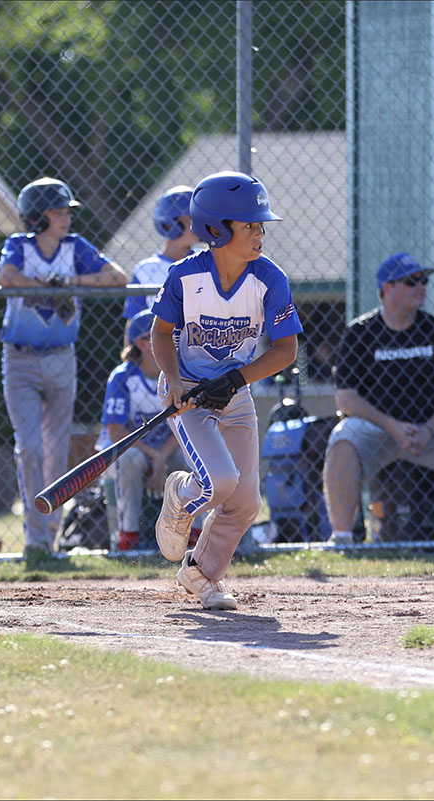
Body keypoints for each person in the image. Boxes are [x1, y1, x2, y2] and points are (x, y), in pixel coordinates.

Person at [152, 170, 301, 610]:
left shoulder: (269, 279)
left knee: (247, 501)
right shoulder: (184, 276)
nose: (259, 234)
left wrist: (236, 380)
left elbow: (286, 350)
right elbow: (160, 334)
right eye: (250, 225)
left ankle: (202, 574)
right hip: (189, 394)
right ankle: (180, 494)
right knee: (218, 482)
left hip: (235, 392)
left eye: (259, 225)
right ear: (217, 230)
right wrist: (176, 382)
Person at [322, 253, 434, 544]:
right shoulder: (360, 333)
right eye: (411, 281)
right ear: (387, 288)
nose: (422, 287)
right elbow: (346, 399)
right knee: (342, 438)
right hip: (379, 431)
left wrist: (429, 429)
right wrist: (392, 426)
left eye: (424, 280)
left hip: (431, 432)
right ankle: (341, 539)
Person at [0, 177, 127, 555]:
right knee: (31, 448)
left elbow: (116, 277)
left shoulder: (75, 248)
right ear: (36, 217)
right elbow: (7, 278)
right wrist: (47, 286)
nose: (65, 218)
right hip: (20, 357)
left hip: (60, 357)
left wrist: (67, 280)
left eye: (66, 211)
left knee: (55, 449)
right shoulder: (19, 245)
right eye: (57, 212)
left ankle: (49, 536)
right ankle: (35, 537)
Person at [97, 310, 197, 551]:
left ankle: (195, 533)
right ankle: (128, 537)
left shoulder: (180, 375)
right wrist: (154, 457)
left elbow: (184, 427)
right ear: (143, 344)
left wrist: (161, 457)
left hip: (166, 450)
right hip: (128, 452)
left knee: (193, 456)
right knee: (131, 460)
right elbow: (116, 433)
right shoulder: (123, 378)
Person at [121, 186, 198, 321]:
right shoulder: (145, 270)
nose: (196, 224)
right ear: (169, 224)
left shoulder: (207, 260)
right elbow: (134, 321)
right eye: (189, 218)